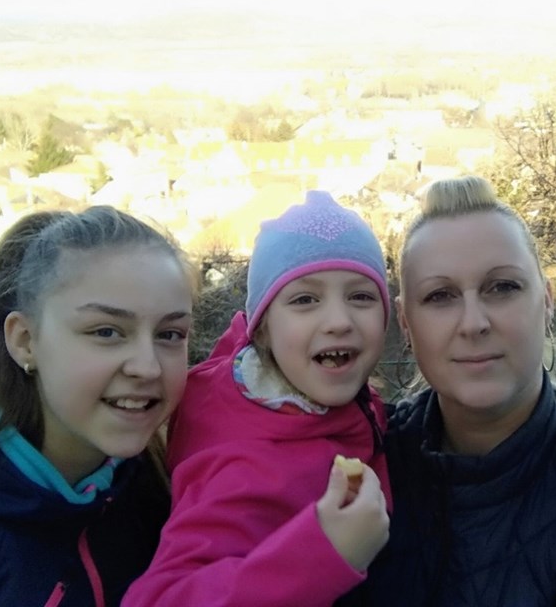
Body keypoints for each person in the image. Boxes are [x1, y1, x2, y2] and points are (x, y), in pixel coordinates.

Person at [339, 175, 556, 607]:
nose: (473, 323)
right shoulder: (359, 461)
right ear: (406, 323)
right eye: (440, 296)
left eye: (502, 287)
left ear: (547, 301)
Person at [124, 190, 391, 607]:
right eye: (305, 300)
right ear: (262, 327)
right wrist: (323, 554)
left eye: (361, 296)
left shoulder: (341, 403)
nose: (339, 321)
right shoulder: (243, 465)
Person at [0, 205, 197, 607]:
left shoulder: (166, 486)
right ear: (25, 341)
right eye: (107, 332)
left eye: (170, 334)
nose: (148, 367)